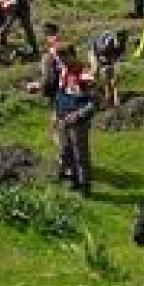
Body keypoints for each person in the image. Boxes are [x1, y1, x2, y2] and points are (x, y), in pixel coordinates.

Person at [54, 45, 98, 195]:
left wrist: (77, 115)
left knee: (80, 154)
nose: (62, 62)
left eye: (64, 59)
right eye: (60, 60)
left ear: (73, 56)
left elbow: (95, 102)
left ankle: (85, 185)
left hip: (78, 122)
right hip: (62, 118)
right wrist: (56, 113)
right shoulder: (63, 71)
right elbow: (60, 93)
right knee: (65, 150)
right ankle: (73, 179)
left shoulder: (85, 75)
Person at [89, 28, 127, 108]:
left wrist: (112, 67)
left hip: (107, 56)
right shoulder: (107, 44)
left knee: (111, 77)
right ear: (115, 38)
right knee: (96, 72)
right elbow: (100, 55)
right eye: (118, 41)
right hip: (96, 52)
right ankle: (96, 93)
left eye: (122, 40)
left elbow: (116, 59)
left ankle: (112, 98)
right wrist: (104, 66)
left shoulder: (122, 45)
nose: (119, 42)